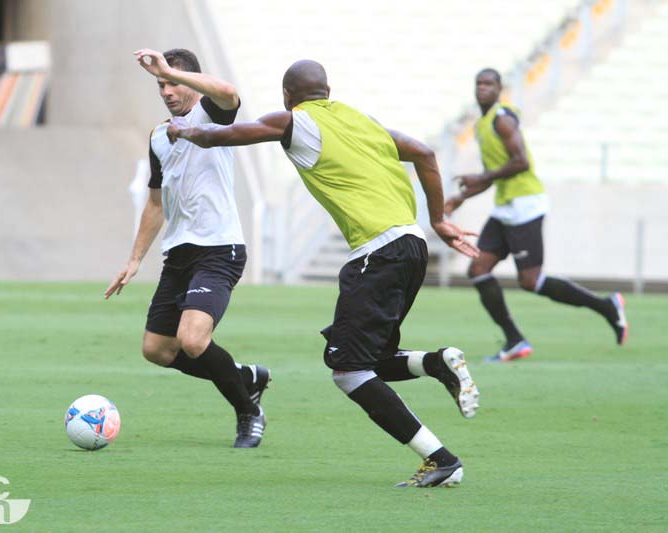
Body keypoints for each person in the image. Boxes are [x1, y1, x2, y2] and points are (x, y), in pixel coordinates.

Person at [168, 59, 481, 488]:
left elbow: (221, 135)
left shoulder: (294, 120)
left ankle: (441, 459)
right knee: (367, 359)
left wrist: (185, 131)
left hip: (377, 252)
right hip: (413, 246)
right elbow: (425, 154)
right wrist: (440, 220)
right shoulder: (362, 121)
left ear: (287, 96)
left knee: (349, 371)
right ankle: (437, 363)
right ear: (328, 90)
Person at [105, 48, 270, 448]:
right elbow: (156, 202)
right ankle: (244, 376)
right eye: (160, 84)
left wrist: (171, 70)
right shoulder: (159, 135)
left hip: (219, 249)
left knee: (193, 341)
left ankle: (248, 412)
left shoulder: (211, 115)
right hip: (178, 255)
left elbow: (229, 92)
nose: (165, 90)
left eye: (173, 82)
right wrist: (134, 259)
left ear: (194, 82)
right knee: (157, 350)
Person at [445, 68, 628, 362]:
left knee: (530, 281)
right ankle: (514, 340)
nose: (483, 88)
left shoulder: (503, 119)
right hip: (505, 207)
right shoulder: (481, 126)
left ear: (499, 88)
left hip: (525, 205)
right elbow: (493, 175)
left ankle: (607, 306)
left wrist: (480, 178)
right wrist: (460, 197)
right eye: (478, 83)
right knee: (478, 270)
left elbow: (521, 162)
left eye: (489, 84)